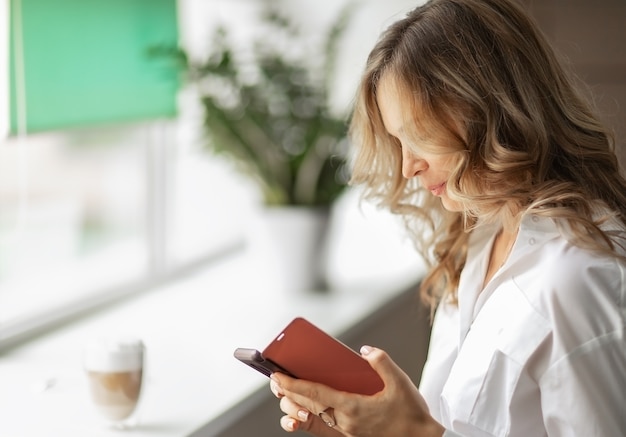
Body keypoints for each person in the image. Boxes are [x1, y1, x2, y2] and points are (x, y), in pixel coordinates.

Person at [268, 0, 626, 435]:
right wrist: (363, 425)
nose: (407, 167)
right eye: (399, 141)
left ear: (487, 109)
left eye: (419, 134)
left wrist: (415, 433)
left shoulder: (577, 278)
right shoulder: (478, 238)